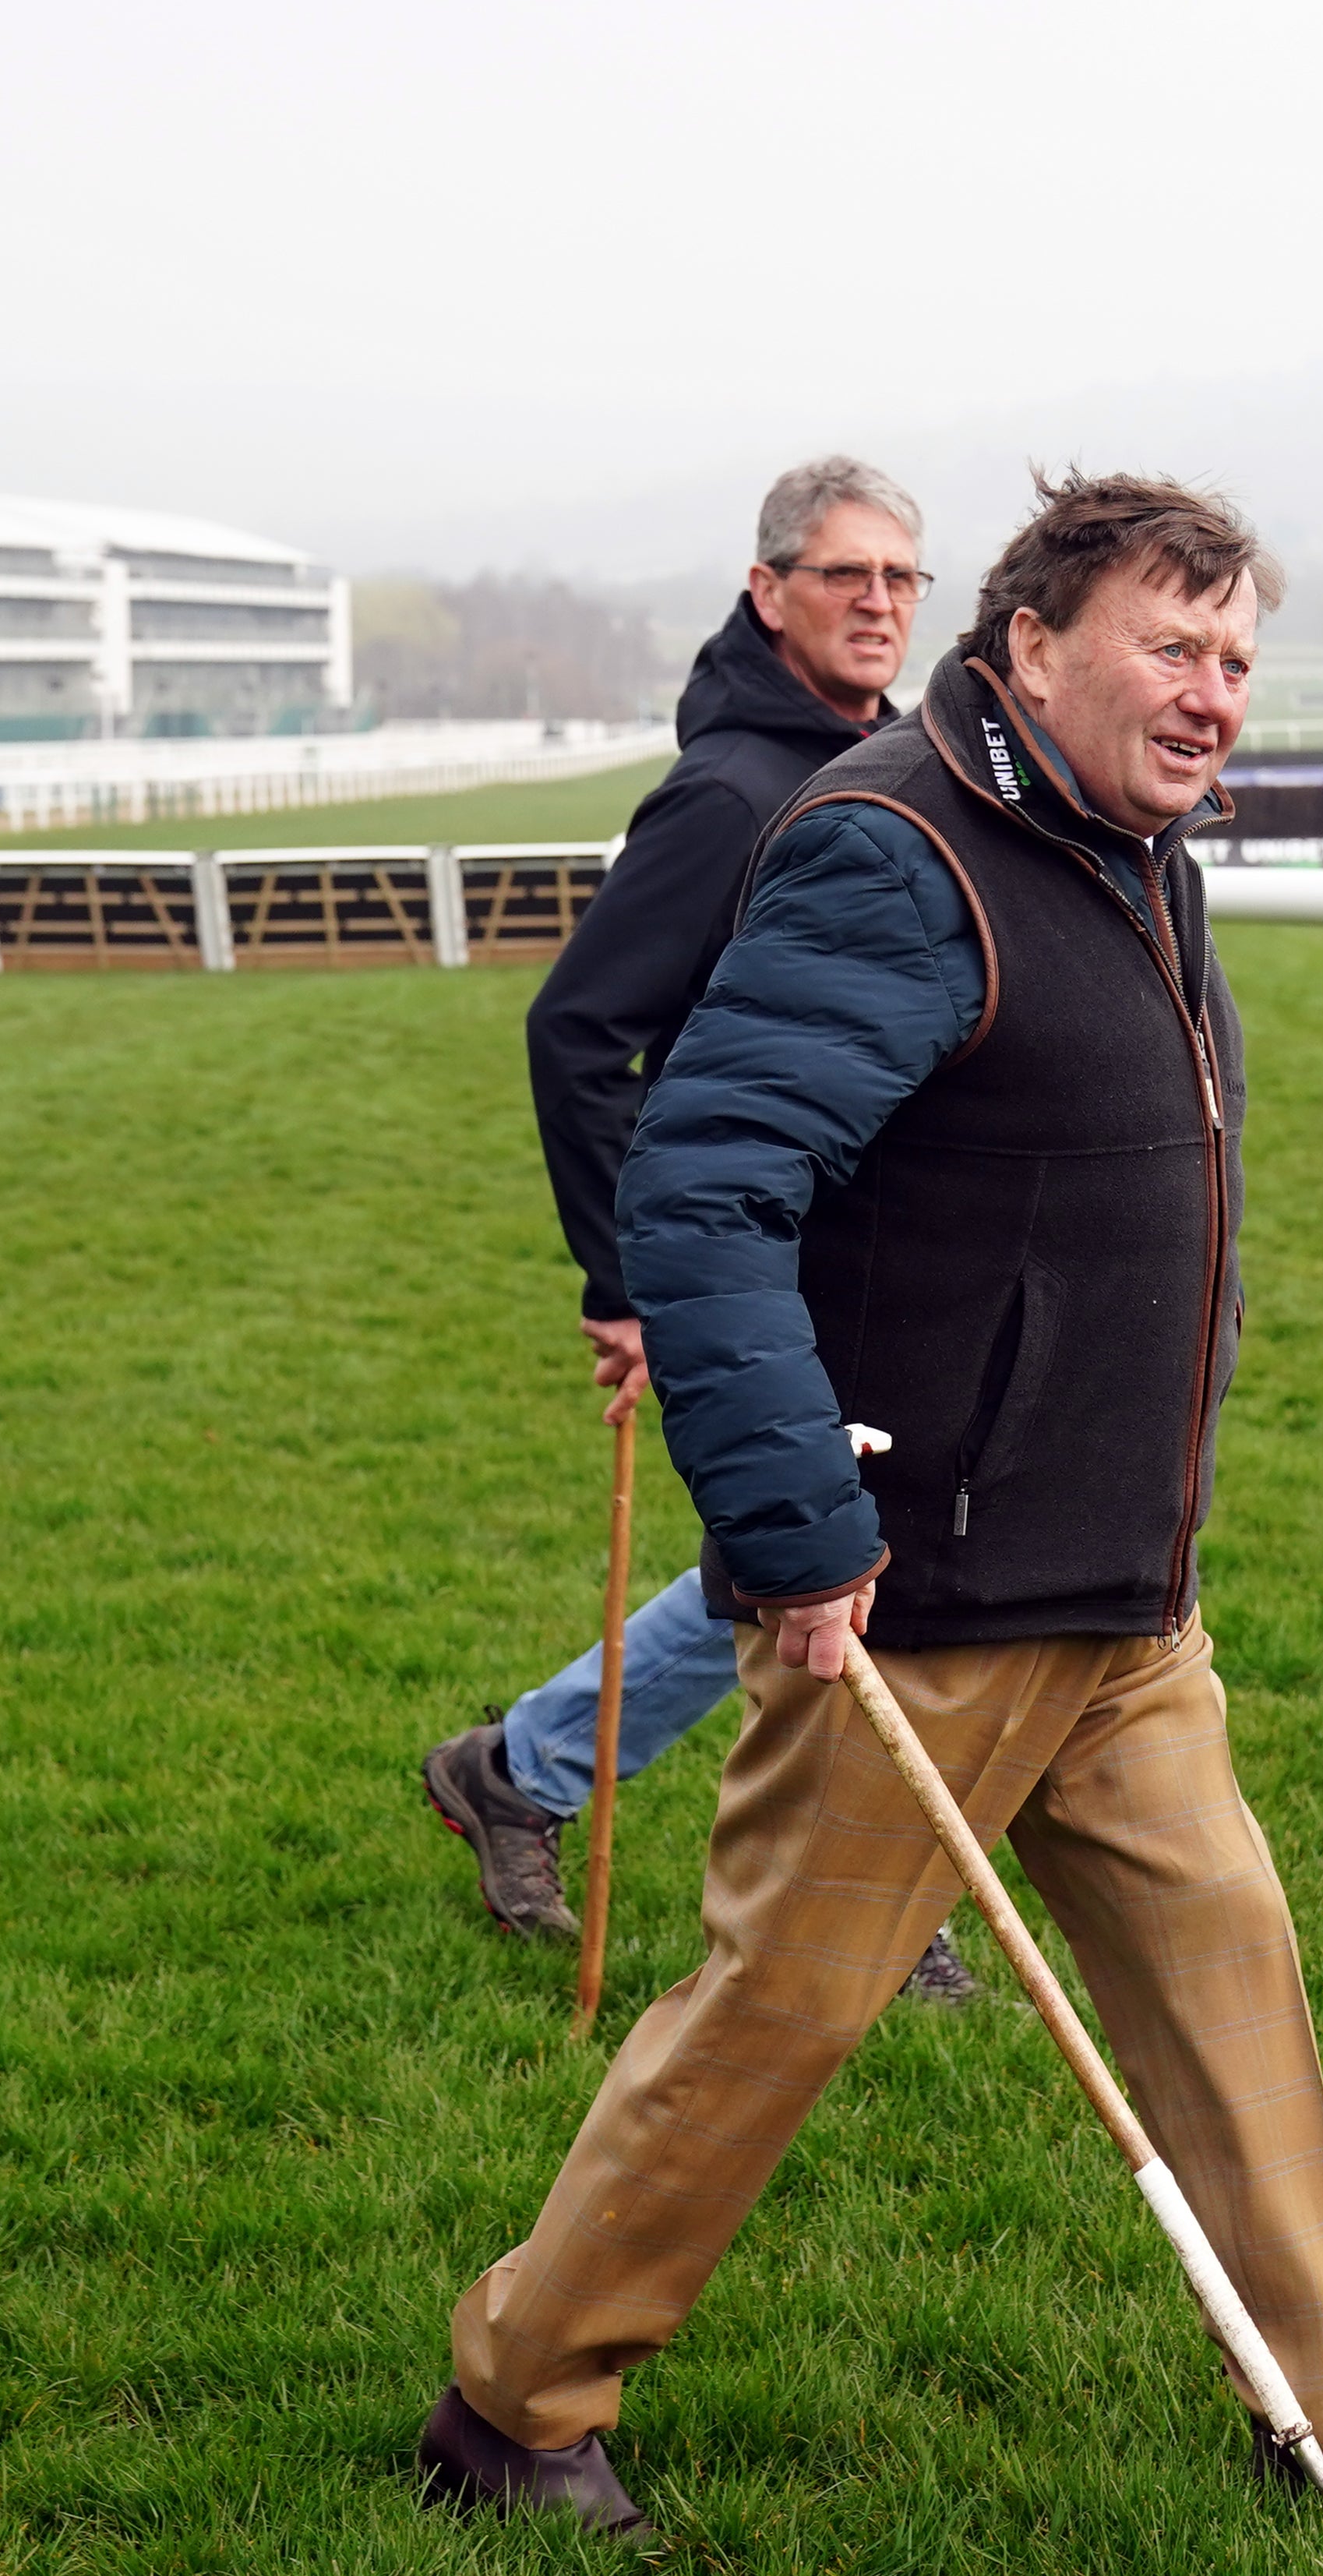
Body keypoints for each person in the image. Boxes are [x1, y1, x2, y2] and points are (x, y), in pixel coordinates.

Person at [415, 475, 1323, 2547]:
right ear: (1029, 644)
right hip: (919, 1597)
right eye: (1168, 648)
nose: (1210, 696)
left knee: (1230, 1990)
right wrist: (790, 1528)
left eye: (1234, 661)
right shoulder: (894, 849)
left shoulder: (1125, 846)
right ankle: (510, 2406)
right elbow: (704, 1184)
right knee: (773, 2019)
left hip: (1123, 1597)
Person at [418, 458, 978, 2009]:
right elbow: (579, 1027)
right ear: (768, 589)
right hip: (761, 1247)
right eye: (843, 576)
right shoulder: (735, 791)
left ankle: (518, 1768)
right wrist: (628, 1281)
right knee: (840, 1557)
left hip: (865, 1235)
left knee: (783, 1557)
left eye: (899, 580)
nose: (876, 604)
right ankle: (880, 1913)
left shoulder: (875, 756)